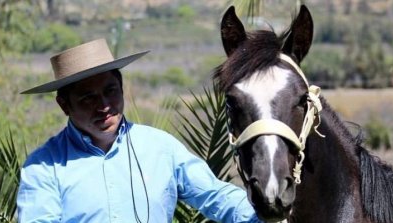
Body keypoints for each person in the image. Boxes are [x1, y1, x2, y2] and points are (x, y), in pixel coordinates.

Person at [17, 38, 261, 223]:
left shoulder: (161, 148)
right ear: (64, 105)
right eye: (88, 98)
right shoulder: (43, 167)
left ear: (122, 89)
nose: (103, 105)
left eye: (110, 91)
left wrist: (271, 215)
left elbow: (215, 196)